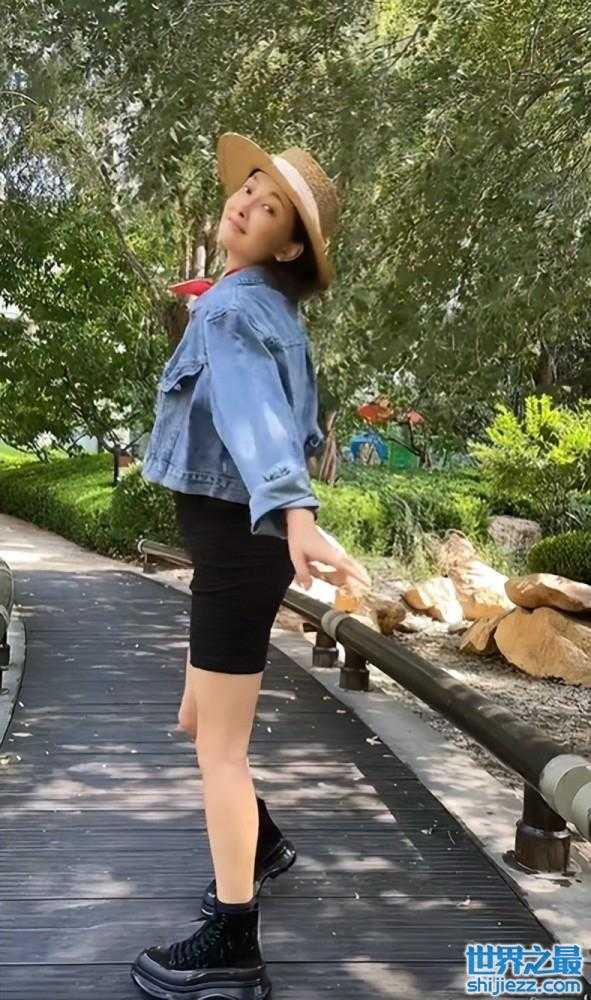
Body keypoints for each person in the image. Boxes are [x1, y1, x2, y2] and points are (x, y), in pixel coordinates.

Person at [131, 132, 370, 1000]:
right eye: (249, 191)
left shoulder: (234, 314)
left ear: (290, 246)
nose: (244, 205)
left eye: (269, 209)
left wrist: (294, 509)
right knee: (199, 719)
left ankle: (233, 945)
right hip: (235, 549)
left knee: (219, 751)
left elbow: (256, 416)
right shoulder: (257, 306)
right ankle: (261, 844)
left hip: (241, 543)